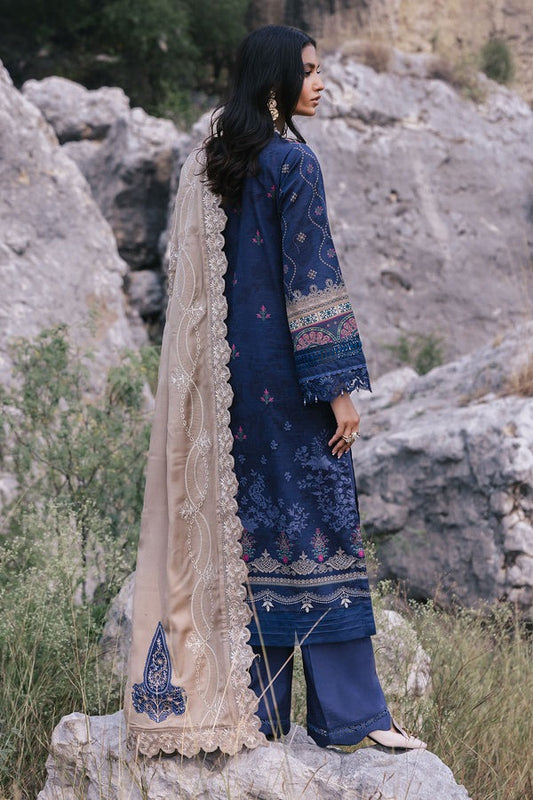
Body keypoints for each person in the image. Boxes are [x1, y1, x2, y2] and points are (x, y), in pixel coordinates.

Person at [124, 25, 426, 757]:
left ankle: (253, 710)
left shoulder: (215, 161)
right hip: (292, 384)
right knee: (321, 530)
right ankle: (351, 718)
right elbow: (311, 282)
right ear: (274, 82)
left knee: (251, 540)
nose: (320, 83)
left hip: (228, 388)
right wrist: (339, 389)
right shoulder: (294, 162)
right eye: (309, 71)